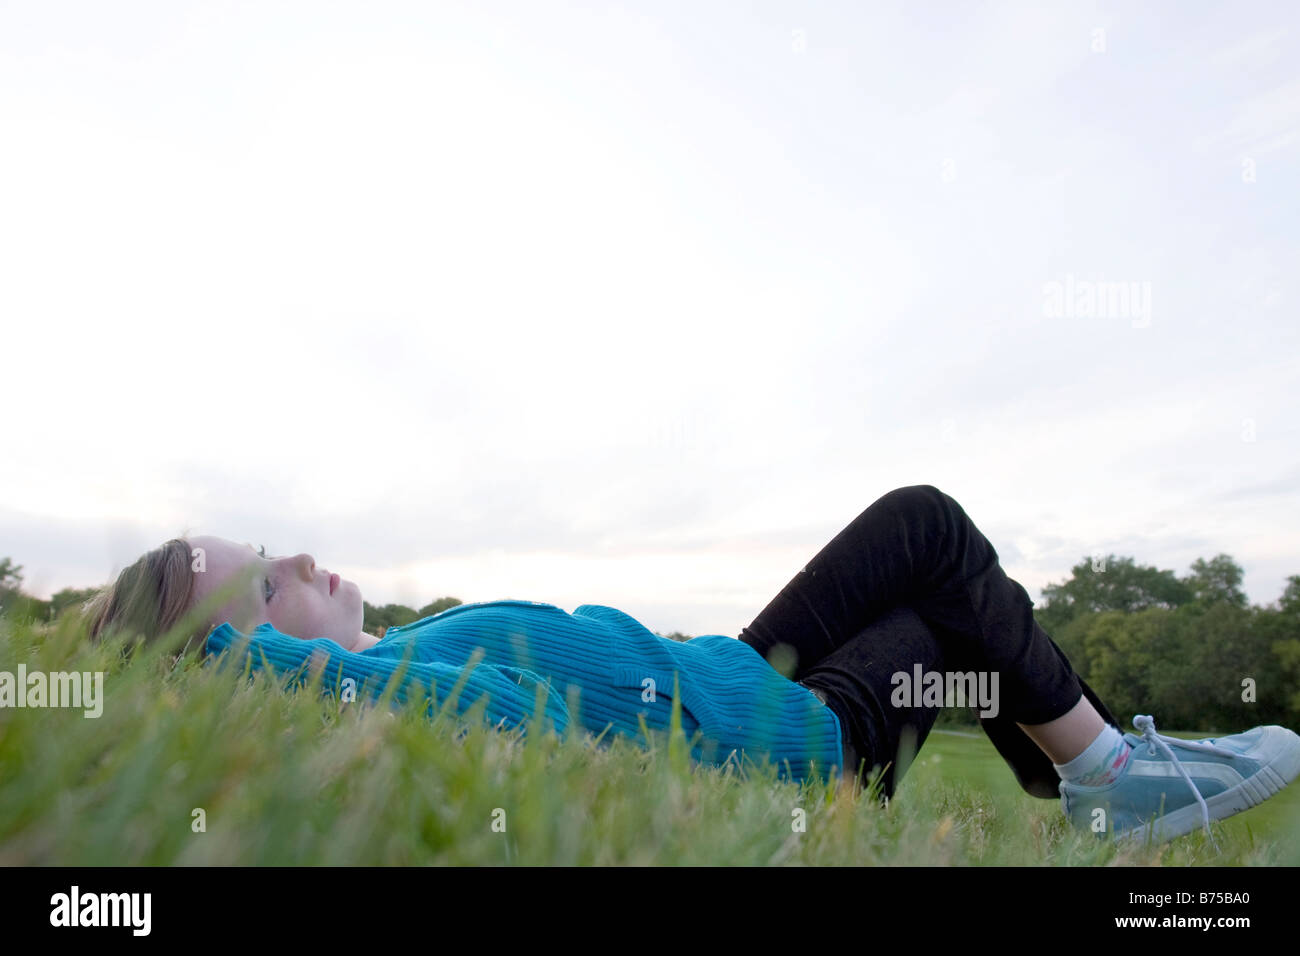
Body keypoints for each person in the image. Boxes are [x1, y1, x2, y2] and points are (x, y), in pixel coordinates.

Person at [84, 484, 1300, 845]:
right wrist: (228, 652)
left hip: (744, 662)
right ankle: (1103, 774)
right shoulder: (394, 686)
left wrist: (245, 616)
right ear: (251, 648)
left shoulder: (407, 640)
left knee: (919, 536)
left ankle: (1085, 772)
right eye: (267, 578)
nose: (302, 550)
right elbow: (265, 674)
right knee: (943, 575)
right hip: (803, 734)